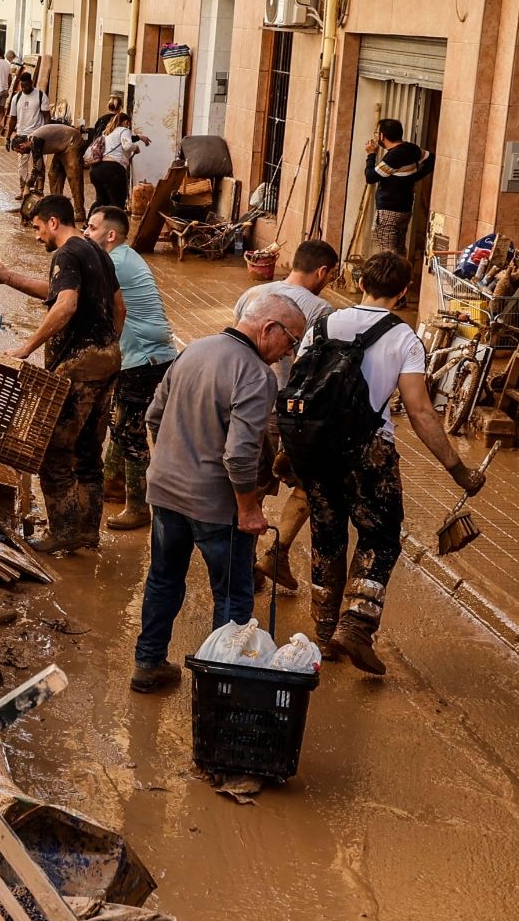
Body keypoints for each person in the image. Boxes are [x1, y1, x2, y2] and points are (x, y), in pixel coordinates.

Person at [282, 248, 484, 674]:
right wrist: (457, 469)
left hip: (316, 450)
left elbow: (299, 384)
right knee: (380, 538)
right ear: (404, 291)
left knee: (327, 535)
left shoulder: (321, 325)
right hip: (368, 454)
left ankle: (324, 632)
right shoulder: (403, 338)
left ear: (360, 284)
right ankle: (355, 626)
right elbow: (421, 412)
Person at [131, 292, 309, 692]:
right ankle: (220, 686)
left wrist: (172, 464)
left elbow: (154, 417)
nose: (287, 354)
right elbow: (240, 455)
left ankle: (148, 663)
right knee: (232, 598)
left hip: (165, 494)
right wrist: (248, 509)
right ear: (269, 329)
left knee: (163, 580)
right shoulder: (254, 374)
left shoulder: (193, 350)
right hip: (216, 506)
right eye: (291, 341)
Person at [0, 195, 125, 554]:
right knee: (89, 454)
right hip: (108, 359)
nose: (36, 236)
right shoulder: (98, 253)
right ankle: (88, 533)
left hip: (79, 365)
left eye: (37, 227)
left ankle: (63, 532)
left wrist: (28, 347)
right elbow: (117, 306)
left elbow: (66, 302)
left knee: (53, 453)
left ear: (53, 222)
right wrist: (8, 277)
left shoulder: (66, 255)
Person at [235, 238, 342, 592]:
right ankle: (267, 557)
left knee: (253, 484)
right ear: (323, 271)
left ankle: (247, 562)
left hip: (248, 401)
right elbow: (318, 372)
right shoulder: (321, 311)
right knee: (311, 482)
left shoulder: (255, 295)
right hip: (291, 412)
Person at [85, 204, 179, 532]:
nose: (86, 232)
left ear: (110, 235)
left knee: (129, 430)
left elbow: (72, 297)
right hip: (150, 355)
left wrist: (9, 278)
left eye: (92, 228)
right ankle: (114, 483)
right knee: (121, 420)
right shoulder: (123, 256)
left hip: (145, 358)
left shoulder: (114, 262)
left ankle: (139, 506)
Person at [363, 117, 434, 258]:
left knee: (387, 253)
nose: (376, 136)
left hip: (389, 211)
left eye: (377, 133)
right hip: (404, 209)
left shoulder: (394, 156)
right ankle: (402, 277)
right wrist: (413, 177)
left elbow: (370, 177)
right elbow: (431, 159)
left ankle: (390, 279)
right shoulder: (411, 149)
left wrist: (371, 155)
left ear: (382, 136)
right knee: (399, 250)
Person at [11, 121, 83, 216]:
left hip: (72, 141)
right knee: (53, 175)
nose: (21, 153)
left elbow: (38, 168)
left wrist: (28, 186)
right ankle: (57, 208)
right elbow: (40, 170)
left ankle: (79, 211)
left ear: (21, 145)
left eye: (19, 151)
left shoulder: (34, 141)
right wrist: (39, 190)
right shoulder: (33, 140)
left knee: (73, 176)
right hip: (62, 148)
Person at [10, 70, 47, 141]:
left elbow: (47, 116)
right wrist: (8, 136)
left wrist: (45, 134)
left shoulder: (41, 95)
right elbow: (13, 118)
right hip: (21, 134)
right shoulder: (16, 98)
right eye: (22, 87)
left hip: (36, 134)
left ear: (31, 83)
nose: (24, 89)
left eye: (26, 86)